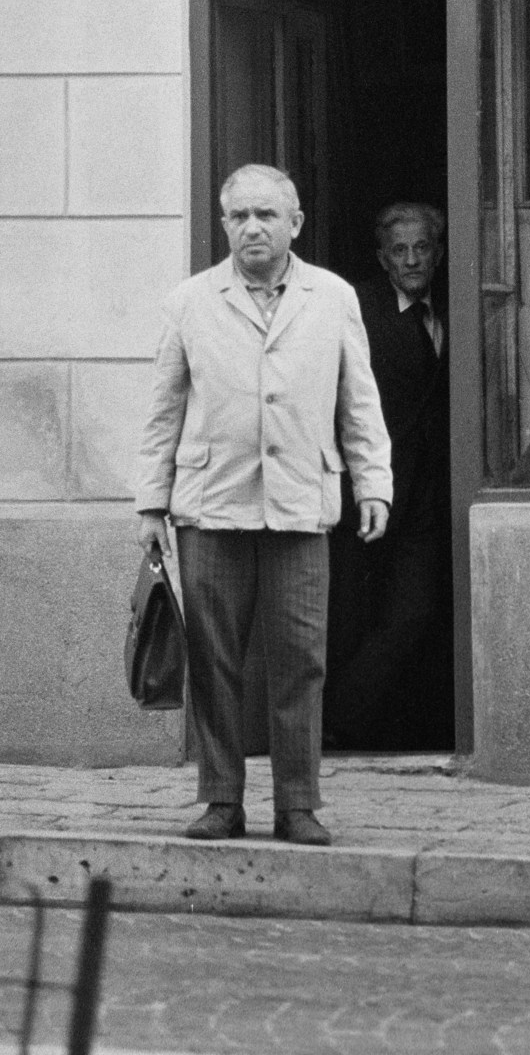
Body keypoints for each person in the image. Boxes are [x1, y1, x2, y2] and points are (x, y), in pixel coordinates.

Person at [133, 165, 392, 844]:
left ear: (295, 223)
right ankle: (221, 798)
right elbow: (163, 410)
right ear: (223, 225)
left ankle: (298, 802)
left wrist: (373, 483)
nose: (253, 227)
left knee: (301, 657)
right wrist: (149, 504)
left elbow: (358, 401)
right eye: (240, 216)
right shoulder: (190, 301)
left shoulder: (331, 297)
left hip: (302, 502)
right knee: (213, 657)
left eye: (267, 215)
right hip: (211, 507)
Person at [323, 202, 454, 750]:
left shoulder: (456, 306)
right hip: (365, 492)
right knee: (351, 616)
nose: (411, 261)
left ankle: (348, 718)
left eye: (422, 248)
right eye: (399, 251)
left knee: (416, 610)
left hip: (426, 499)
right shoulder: (359, 309)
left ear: (439, 252)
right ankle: (332, 726)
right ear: (382, 258)